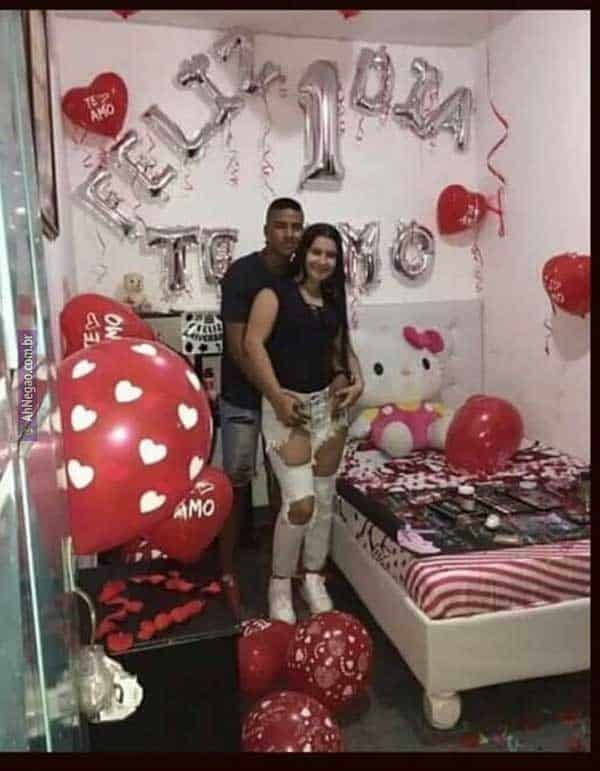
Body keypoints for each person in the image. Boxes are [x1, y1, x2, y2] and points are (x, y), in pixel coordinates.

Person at [243, 223, 364, 624]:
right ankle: (279, 582)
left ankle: (313, 577)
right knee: (300, 504)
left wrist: (359, 379)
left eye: (330, 255)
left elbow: (341, 348)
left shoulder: (332, 301)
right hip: (287, 409)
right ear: (303, 253)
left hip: (328, 410)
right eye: (317, 252)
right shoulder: (274, 294)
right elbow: (252, 344)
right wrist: (277, 397)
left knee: (324, 501)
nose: (322, 261)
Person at [219, 198, 305, 618]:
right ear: (266, 230)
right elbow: (239, 349)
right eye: (281, 226)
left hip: (283, 398)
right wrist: (274, 395)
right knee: (235, 481)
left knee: (281, 483)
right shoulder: (242, 273)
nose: (289, 234)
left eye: (296, 227)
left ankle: (278, 572)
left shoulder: (301, 274)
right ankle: (226, 572)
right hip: (243, 395)